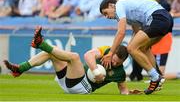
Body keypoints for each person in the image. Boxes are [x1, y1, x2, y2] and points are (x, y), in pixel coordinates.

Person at [4, 27, 141, 95]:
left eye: (118, 63)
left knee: (74, 57)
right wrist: (95, 71)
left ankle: (40, 43)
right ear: (113, 53)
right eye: (114, 59)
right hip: (70, 81)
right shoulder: (106, 51)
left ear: (123, 62)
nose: (114, 63)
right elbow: (88, 55)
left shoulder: (120, 73)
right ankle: (19, 69)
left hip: (83, 87)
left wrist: (130, 94)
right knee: (50, 54)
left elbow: (123, 89)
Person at [99, 0, 173, 94]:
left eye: (106, 13)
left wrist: (111, 53)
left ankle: (155, 77)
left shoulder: (119, 5)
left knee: (131, 48)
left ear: (111, 5)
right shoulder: (128, 13)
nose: (107, 17)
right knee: (143, 48)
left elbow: (121, 32)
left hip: (157, 17)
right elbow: (137, 31)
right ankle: (158, 77)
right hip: (166, 18)